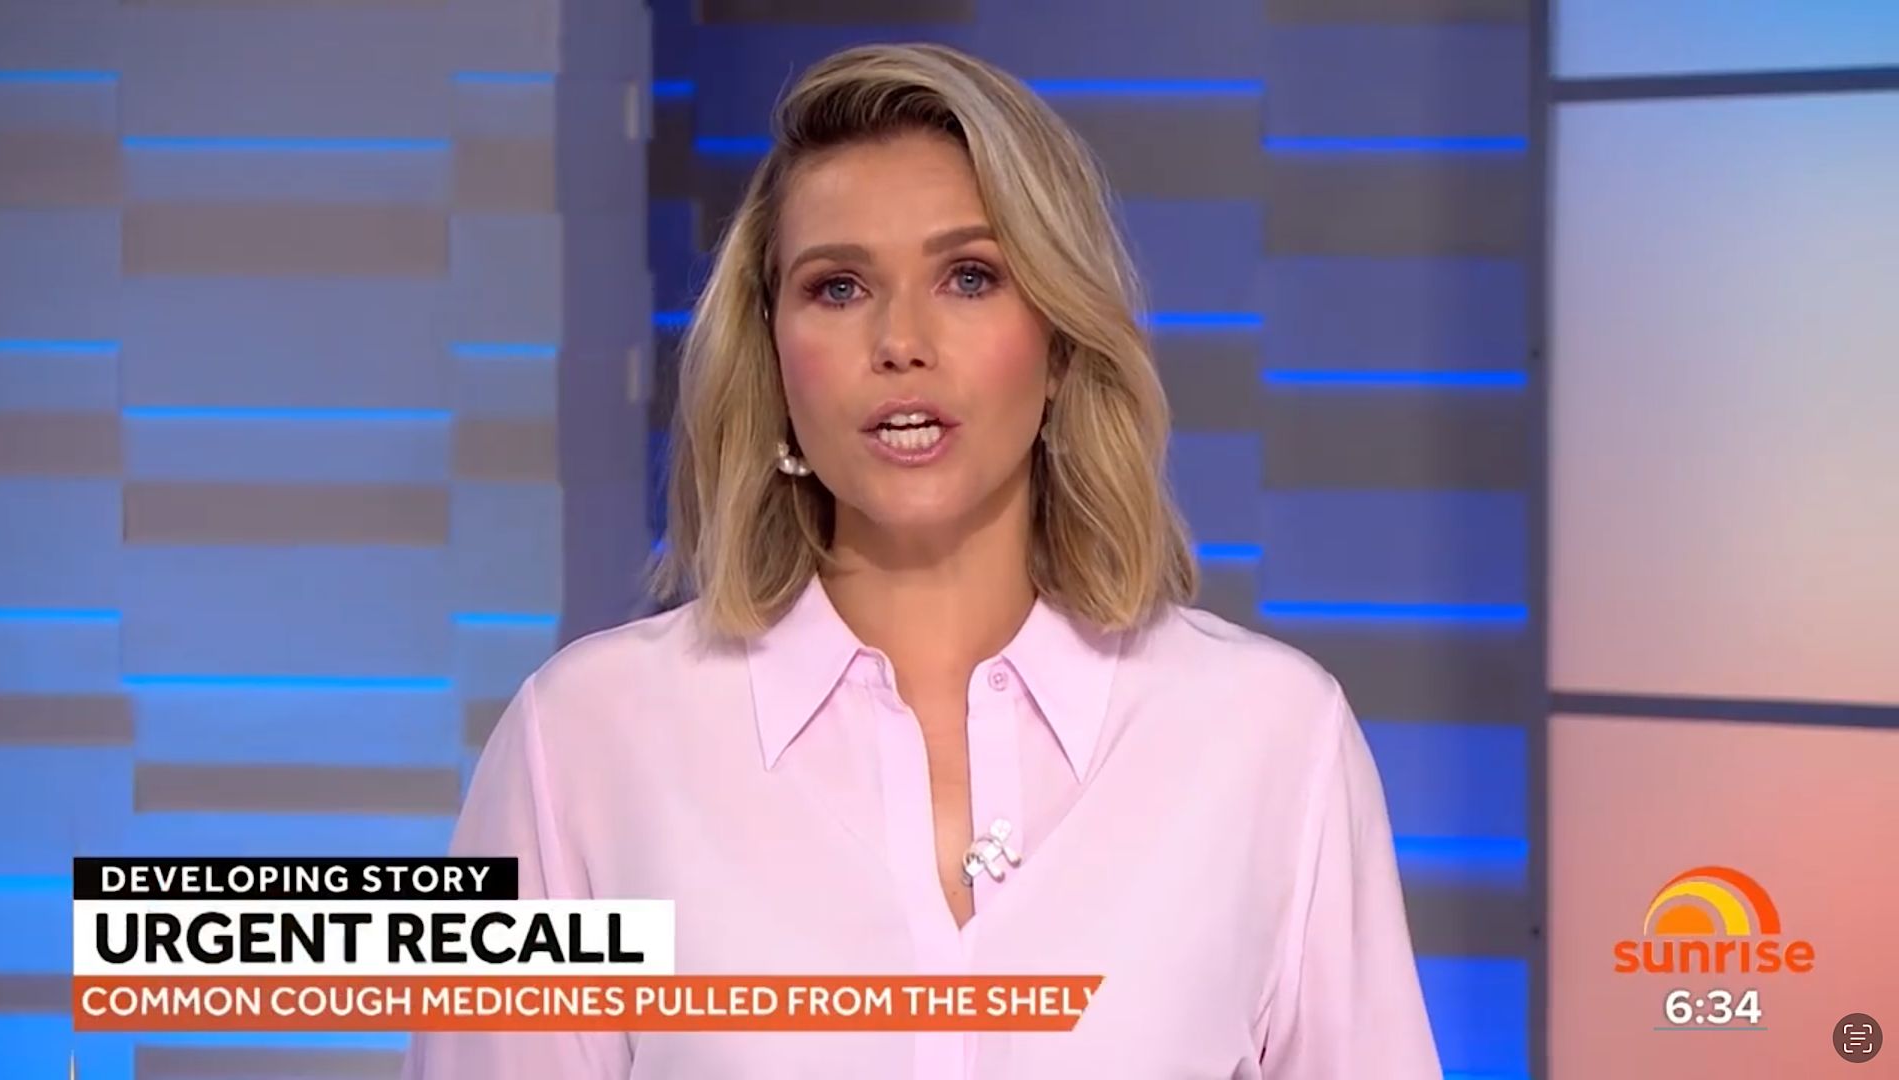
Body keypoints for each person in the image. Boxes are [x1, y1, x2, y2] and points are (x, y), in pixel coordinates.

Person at [404, 41, 1440, 1079]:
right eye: (839, 287)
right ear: (773, 352)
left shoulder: (1272, 740)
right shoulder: (582, 744)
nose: (901, 341)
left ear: (1059, 339)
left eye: (969, 277)